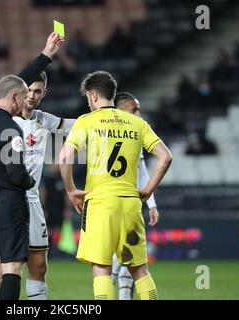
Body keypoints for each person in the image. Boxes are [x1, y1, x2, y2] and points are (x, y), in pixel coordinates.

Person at [59, 71, 172, 300]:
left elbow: (64, 157)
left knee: (101, 268)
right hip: (130, 204)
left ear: (92, 96)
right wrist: (148, 190)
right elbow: (166, 157)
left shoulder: (86, 121)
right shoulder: (137, 123)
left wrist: (71, 190)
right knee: (139, 269)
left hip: (100, 204)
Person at [0, 33, 64, 300]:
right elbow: (16, 173)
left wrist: (46, 54)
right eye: (21, 98)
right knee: (11, 269)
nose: (25, 102)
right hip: (9, 203)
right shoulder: (11, 130)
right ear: (13, 98)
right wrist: (30, 183)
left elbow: (16, 80)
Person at [111, 92, 160, 300]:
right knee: (120, 258)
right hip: (111, 202)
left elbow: (141, 170)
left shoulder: (135, 133)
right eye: (134, 110)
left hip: (128, 202)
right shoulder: (108, 132)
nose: (139, 114)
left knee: (126, 255)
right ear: (120, 111)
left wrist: (152, 203)